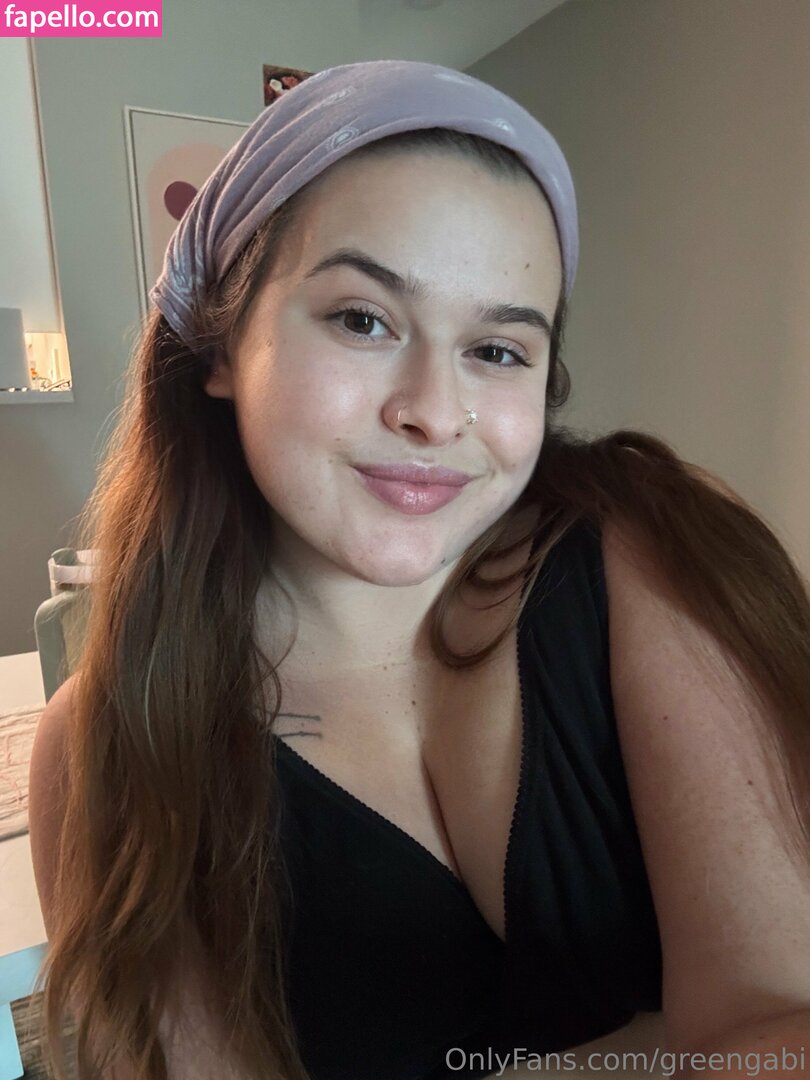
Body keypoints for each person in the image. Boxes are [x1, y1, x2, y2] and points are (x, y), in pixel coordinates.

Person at [26, 59, 810, 1080]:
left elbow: (781, 1025)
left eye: (499, 350)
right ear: (219, 347)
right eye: (363, 319)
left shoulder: (652, 548)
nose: (436, 412)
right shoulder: (109, 749)